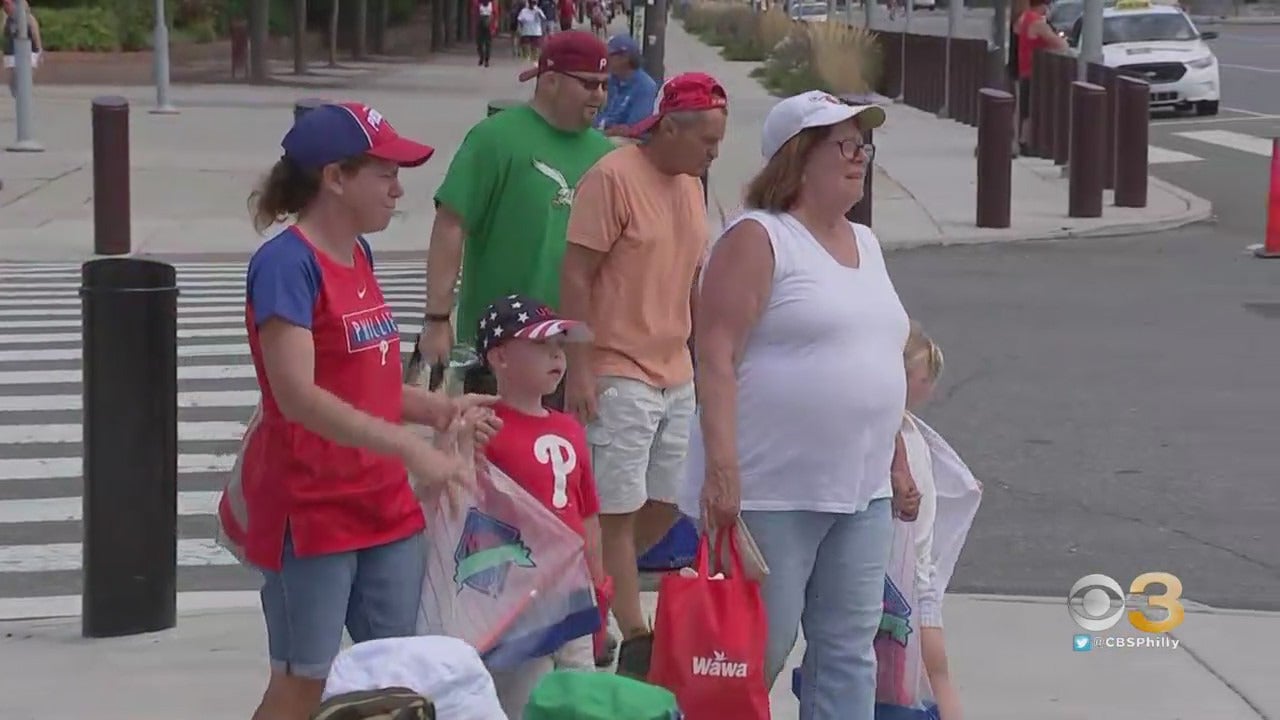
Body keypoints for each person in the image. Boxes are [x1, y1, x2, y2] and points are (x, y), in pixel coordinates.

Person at [237, 102, 500, 720]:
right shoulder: (286, 265)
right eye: (385, 173)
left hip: (383, 503)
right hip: (313, 509)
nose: (399, 189)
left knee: (400, 668)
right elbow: (298, 396)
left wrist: (436, 410)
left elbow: (364, 384)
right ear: (335, 177)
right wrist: (409, 446)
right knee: (306, 679)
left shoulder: (359, 255)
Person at [679, 90, 907, 720]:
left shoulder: (867, 242)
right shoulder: (759, 237)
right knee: (754, 651)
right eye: (846, 144)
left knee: (848, 650)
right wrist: (722, 472)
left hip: (861, 491)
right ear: (797, 157)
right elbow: (716, 355)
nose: (861, 157)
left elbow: (877, 358)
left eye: (865, 144)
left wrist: (897, 462)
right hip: (772, 492)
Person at [560, 71, 728, 678]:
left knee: (664, 501)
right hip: (616, 361)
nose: (715, 152)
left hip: (673, 365)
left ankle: (593, 581)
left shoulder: (691, 185)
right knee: (619, 506)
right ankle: (632, 632)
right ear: (671, 128)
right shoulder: (612, 178)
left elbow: (692, 277)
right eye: (707, 139)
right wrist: (579, 365)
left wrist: (708, 362)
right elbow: (575, 274)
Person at [419, 30, 613, 407]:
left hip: (575, 348)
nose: (600, 96)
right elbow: (451, 225)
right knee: (496, 461)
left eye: (605, 86)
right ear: (551, 80)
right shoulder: (494, 139)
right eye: (589, 84)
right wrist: (437, 318)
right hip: (502, 349)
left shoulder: (605, 154)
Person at [472, 293, 610, 718]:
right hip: (518, 595)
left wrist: (598, 585)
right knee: (524, 699)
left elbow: (586, 513)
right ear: (499, 357)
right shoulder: (485, 427)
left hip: (571, 588)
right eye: (540, 345)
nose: (556, 354)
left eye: (560, 345)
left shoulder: (570, 429)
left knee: (579, 694)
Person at [1015, 0, 1066, 154]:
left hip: (1023, 68)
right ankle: (1030, 143)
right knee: (1035, 108)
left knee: (1026, 108)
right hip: (1036, 71)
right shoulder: (1037, 23)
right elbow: (1061, 45)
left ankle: (1023, 140)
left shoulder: (1023, 18)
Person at [594, 35, 659, 137]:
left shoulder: (646, 86)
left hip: (625, 142)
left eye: (609, 55)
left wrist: (602, 134)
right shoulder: (612, 79)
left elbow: (633, 129)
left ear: (624, 58)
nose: (605, 59)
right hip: (603, 131)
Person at [2, 0, 42, 98]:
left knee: (27, 76)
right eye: (4, 5)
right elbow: (4, 35)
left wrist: (39, 50)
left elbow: (35, 34)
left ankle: (24, 96)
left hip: (29, 51)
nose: (6, 7)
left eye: (8, 5)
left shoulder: (29, 18)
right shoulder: (7, 19)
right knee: (14, 78)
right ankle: (18, 93)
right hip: (11, 52)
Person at [474, 0, 499, 66]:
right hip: (480, 24)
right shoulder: (477, 3)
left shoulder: (492, 4)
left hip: (489, 25)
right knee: (479, 43)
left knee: (488, 43)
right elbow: (475, 14)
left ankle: (487, 60)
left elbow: (495, 15)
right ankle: (481, 57)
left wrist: (494, 27)